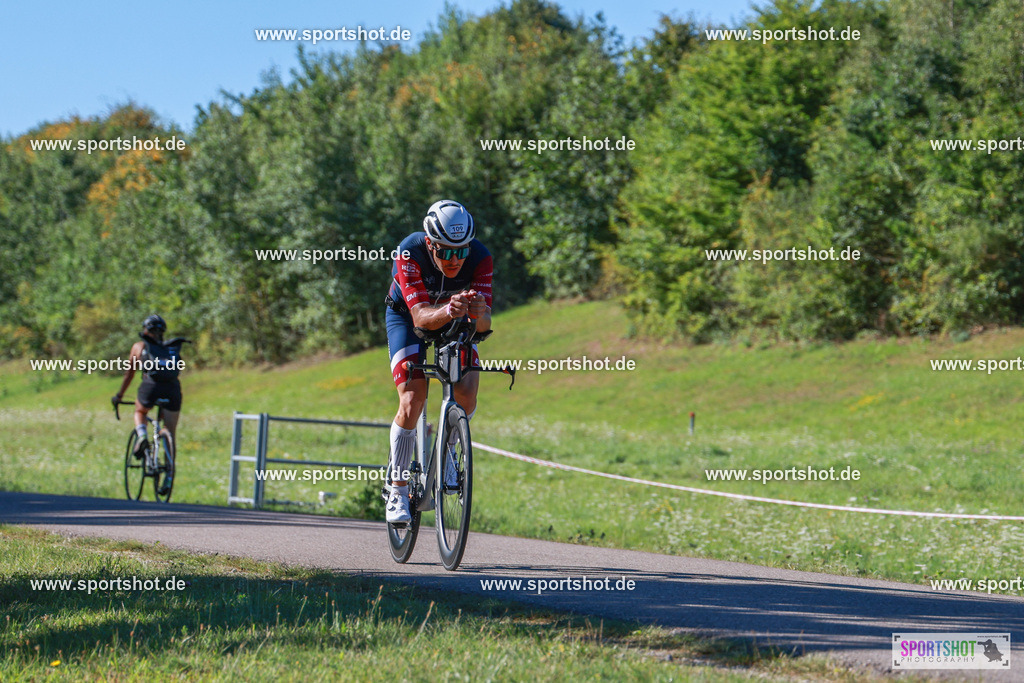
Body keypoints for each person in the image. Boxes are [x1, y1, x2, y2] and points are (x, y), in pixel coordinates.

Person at [383, 200, 492, 523]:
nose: (455, 259)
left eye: (462, 251)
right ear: (429, 244)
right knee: (413, 397)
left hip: (454, 319)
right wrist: (449, 309)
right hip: (407, 318)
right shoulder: (408, 252)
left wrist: (480, 313)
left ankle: (447, 455)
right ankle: (398, 489)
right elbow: (419, 317)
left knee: (467, 390)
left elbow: (484, 328)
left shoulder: (480, 256)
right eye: (445, 252)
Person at [111, 314, 183, 495]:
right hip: (173, 390)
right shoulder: (171, 348)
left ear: (145, 330)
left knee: (140, 410)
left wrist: (119, 395)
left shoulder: (140, 346)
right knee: (170, 431)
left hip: (150, 387)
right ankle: (169, 474)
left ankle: (142, 435)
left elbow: (130, 373)